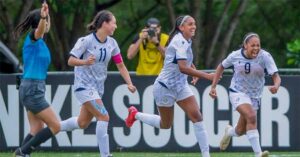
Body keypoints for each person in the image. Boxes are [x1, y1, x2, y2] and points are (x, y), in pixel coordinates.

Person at [125, 15, 214, 157]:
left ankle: (206, 155)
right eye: (190, 24)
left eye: (194, 24)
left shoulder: (185, 40)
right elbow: (182, 68)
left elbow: (178, 59)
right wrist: (207, 76)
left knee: (197, 116)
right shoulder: (179, 41)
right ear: (181, 27)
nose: (194, 27)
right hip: (164, 87)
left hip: (180, 86)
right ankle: (135, 115)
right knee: (165, 125)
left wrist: (193, 68)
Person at [59, 10, 136, 157]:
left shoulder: (112, 43)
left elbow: (121, 65)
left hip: (97, 88)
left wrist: (129, 83)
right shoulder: (86, 41)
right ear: (104, 23)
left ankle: (54, 126)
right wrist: (84, 62)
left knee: (82, 123)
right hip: (83, 86)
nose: (116, 26)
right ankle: (105, 155)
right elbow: (70, 60)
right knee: (104, 117)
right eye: (114, 23)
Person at [209, 33, 281, 157]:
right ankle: (258, 154)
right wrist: (213, 86)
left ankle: (229, 132)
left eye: (258, 45)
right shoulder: (235, 55)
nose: (256, 48)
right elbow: (221, 66)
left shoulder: (265, 56)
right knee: (251, 116)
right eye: (253, 45)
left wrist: (276, 86)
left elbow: (276, 76)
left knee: (240, 131)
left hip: (255, 96)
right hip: (237, 92)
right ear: (245, 46)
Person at [13, 2, 61, 157]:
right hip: (32, 88)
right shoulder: (33, 37)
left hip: (31, 88)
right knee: (55, 125)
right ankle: (22, 152)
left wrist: (46, 15)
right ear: (40, 22)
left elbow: (43, 30)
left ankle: (21, 154)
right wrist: (43, 16)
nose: (48, 22)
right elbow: (39, 31)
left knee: (36, 128)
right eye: (46, 20)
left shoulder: (39, 42)